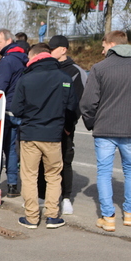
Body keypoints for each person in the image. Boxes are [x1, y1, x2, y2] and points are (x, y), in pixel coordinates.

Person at [11, 43, 78, 229]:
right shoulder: (64, 78)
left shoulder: (26, 78)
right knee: (54, 176)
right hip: (54, 135)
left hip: (30, 135)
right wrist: (65, 128)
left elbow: (16, 109)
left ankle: (31, 218)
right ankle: (52, 216)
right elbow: (72, 108)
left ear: (33, 57)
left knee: (30, 176)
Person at [80, 30, 131, 232]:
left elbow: (87, 102)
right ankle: (129, 214)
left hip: (104, 129)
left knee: (104, 172)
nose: (102, 51)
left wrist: (91, 122)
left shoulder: (100, 68)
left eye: (103, 47)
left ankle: (108, 217)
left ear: (111, 44)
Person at [45, 35, 87, 215]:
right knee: (45, 163)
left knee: (65, 162)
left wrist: (68, 125)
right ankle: (43, 196)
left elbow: (80, 102)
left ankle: (66, 197)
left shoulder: (76, 72)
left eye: (52, 48)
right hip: (47, 125)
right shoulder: (47, 69)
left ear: (63, 50)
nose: (49, 51)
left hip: (65, 127)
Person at [0, 28, 28, 197]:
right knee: (12, 150)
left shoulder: (7, 61)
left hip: (5, 110)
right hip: (19, 111)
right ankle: (13, 185)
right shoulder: (25, 58)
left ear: (8, 41)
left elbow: (1, 88)